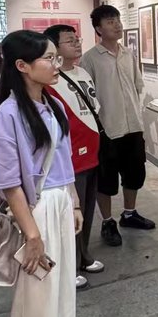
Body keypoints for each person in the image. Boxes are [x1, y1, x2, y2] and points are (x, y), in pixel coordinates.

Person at [0, 30, 90, 317]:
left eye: (55, 57)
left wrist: (74, 203)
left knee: (61, 288)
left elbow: (64, 161)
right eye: (48, 58)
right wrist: (32, 235)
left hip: (60, 202)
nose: (56, 64)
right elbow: (8, 183)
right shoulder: (8, 115)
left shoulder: (54, 105)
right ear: (22, 66)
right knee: (36, 296)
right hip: (34, 209)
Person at [81, 5, 155, 248]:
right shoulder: (90, 59)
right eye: (110, 21)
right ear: (98, 28)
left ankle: (129, 214)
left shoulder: (128, 54)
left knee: (134, 174)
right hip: (107, 129)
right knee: (106, 179)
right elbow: (87, 98)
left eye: (118, 20)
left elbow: (136, 86)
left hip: (133, 126)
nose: (117, 24)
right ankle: (107, 221)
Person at [43, 24, 105, 290]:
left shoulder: (82, 73)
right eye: (70, 41)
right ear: (54, 47)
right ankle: (69, 264)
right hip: (70, 157)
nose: (77, 43)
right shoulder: (50, 81)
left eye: (77, 39)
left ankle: (84, 256)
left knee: (88, 209)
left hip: (92, 151)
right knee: (70, 213)